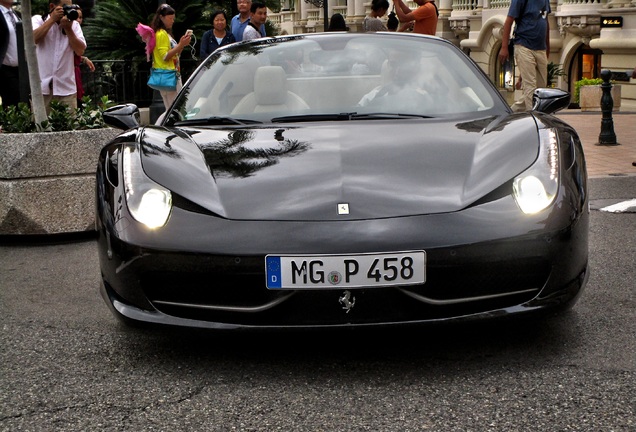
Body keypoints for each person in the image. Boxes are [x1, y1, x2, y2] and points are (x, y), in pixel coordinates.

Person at [32, 0, 86, 114]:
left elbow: (80, 50)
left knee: (70, 128)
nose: (68, 10)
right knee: (42, 128)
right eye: (65, 7)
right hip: (42, 89)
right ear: (52, 6)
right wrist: (52, 20)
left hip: (66, 89)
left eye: (70, 7)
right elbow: (32, 39)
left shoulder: (74, 25)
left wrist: (68, 29)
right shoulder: (38, 20)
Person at [498, 0, 550, 112]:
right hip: (523, 45)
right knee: (530, 88)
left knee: (541, 89)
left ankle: (509, 115)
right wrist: (504, 47)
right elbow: (509, 21)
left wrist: (547, 47)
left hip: (541, 48)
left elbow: (546, 21)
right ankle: (535, 120)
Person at [150, 3, 192, 110]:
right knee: (174, 109)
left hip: (171, 74)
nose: (172, 21)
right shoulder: (161, 34)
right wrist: (180, 45)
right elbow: (165, 56)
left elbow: (175, 54)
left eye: (173, 18)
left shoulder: (164, 33)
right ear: (161, 17)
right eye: (170, 18)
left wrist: (181, 45)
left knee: (172, 108)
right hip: (168, 75)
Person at [1, 0, 21, 107]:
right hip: (5, 68)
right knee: (12, 104)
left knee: (23, 103)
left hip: (21, 68)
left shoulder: (16, 14)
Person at [73, 6, 94, 107]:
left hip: (75, 72)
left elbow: (79, 51)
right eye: (76, 17)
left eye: (80, 17)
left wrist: (84, 59)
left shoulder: (78, 32)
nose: (78, 20)